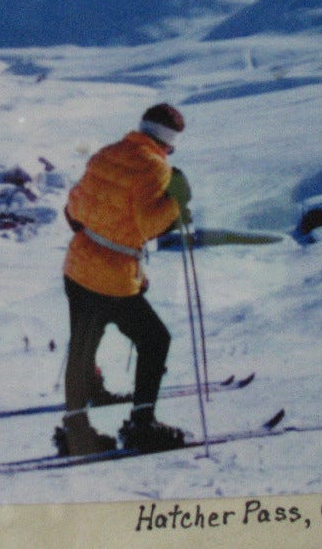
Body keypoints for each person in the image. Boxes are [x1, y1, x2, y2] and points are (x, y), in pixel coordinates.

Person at [55, 103, 192, 456]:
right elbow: (148, 225)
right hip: (112, 279)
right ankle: (142, 425)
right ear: (168, 143)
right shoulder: (156, 168)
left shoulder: (107, 153)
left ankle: (75, 429)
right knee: (154, 340)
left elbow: (73, 209)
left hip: (78, 266)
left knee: (83, 344)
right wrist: (176, 201)